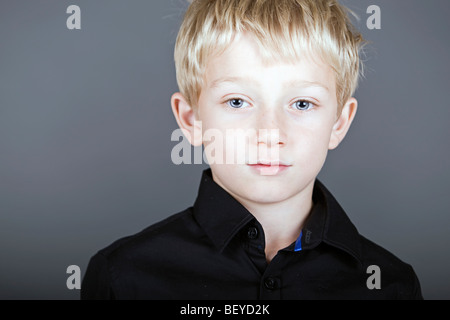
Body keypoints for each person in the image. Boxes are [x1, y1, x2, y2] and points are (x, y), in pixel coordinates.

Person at [81, 0, 423, 299]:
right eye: (237, 101)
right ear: (192, 120)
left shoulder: (391, 284)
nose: (270, 133)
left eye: (302, 103)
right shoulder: (123, 277)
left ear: (338, 123)